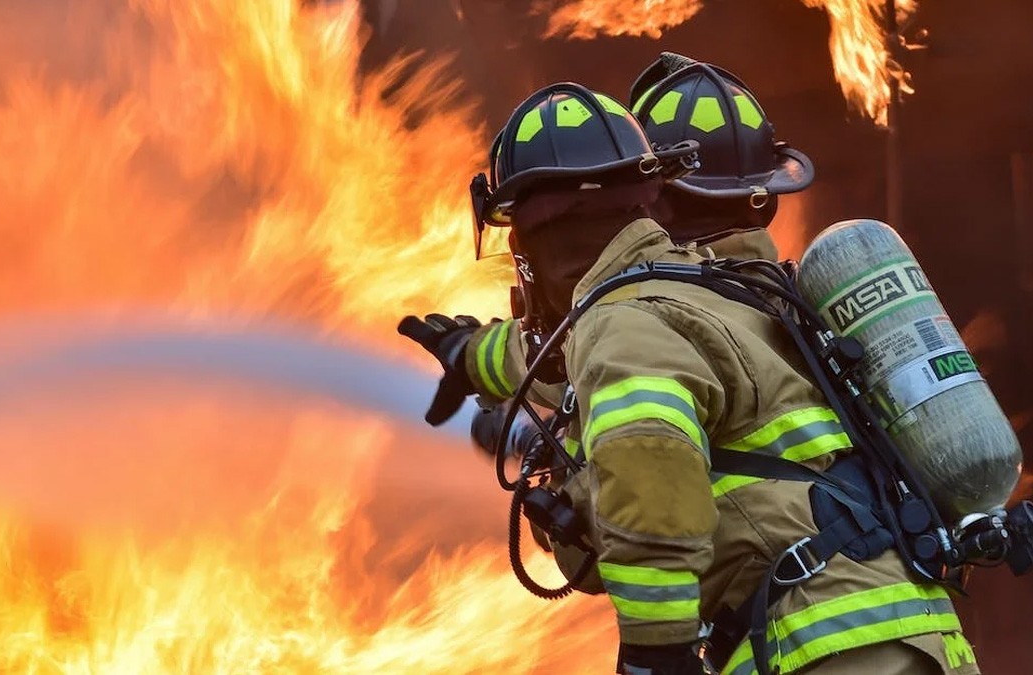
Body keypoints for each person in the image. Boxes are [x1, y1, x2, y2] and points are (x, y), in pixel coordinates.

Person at [399, 55, 979, 675]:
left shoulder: (624, 324)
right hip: (918, 637)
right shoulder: (728, 295)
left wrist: (654, 655)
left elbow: (650, 488)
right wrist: (471, 355)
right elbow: (553, 355)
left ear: (537, 241)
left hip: (822, 646)